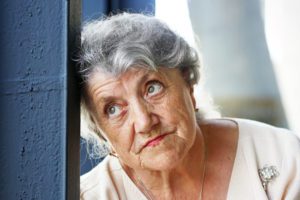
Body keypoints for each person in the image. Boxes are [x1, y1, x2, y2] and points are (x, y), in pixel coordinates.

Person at [78, 13, 300, 200]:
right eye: (114, 109)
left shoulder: (282, 156)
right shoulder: (90, 195)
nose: (145, 122)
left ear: (189, 85)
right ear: (101, 132)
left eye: (152, 88)